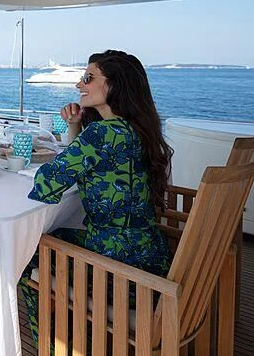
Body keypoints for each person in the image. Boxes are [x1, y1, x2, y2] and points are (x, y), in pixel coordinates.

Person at [18, 50, 173, 345]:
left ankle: (57, 345)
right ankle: (82, 331)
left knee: (24, 250)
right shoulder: (136, 129)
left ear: (114, 85)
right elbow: (87, 164)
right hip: (150, 258)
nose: (79, 84)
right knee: (56, 234)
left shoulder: (102, 134)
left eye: (89, 77)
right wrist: (75, 126)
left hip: (119, 272)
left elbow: (47, 183)